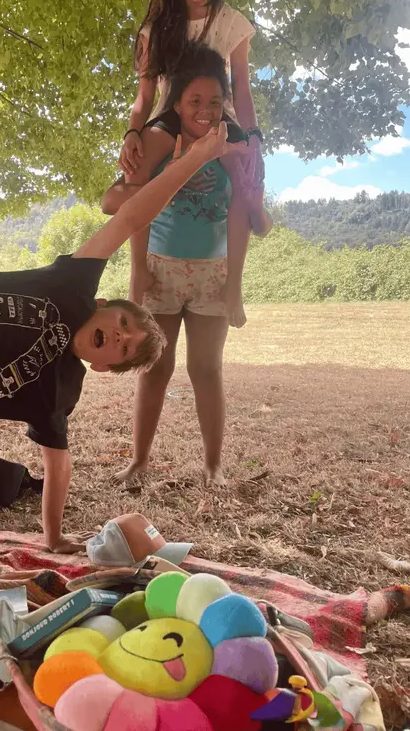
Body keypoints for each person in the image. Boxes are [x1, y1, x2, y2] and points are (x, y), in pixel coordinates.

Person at [0, 122, 230, 614]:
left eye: (125, 348)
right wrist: (197, 158)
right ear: (99, 304)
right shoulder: (69, 285)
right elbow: (133, 216)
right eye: (122, 322)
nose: (122, 336)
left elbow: (58, 464)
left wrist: (53, 539)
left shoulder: (58, 392)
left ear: (102, 366)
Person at [102, 47, 272, 490]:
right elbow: (132, 201)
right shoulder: (162, 138)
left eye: (214, 102)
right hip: (161, 270)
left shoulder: (230, 143)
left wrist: (233, 286)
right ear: (177, 103)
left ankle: (213, 467)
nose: (205, 110)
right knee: (156, 366)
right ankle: (138, 461)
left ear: (224, 105)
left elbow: (242, 217)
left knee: (206, 369)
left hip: (211, 274)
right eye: (194, 101)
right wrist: (137, 271)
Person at [118, 0, 263, 327]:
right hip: (171, 115)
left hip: (219, 117)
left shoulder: (233, 25)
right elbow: (144, 98)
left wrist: (254, 139)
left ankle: (233, 283)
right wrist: (132, 132)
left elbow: (243, 91)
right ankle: (138, 270)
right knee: (136, 166)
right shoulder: (155, 30)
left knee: (242, 176)